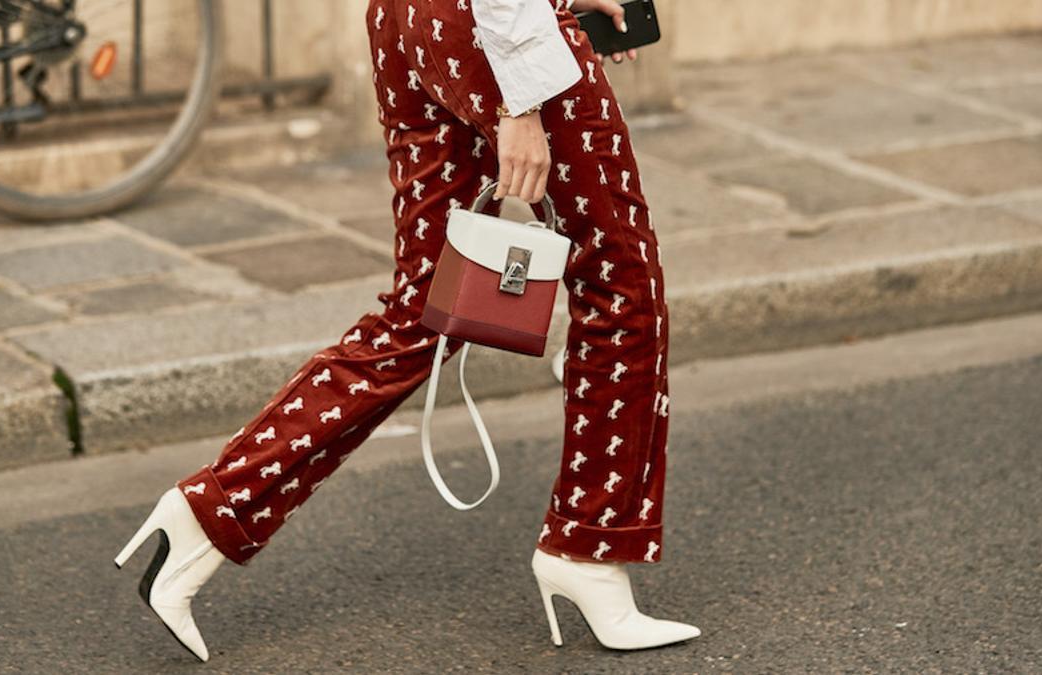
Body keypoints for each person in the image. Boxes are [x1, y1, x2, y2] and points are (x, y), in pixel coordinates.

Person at [113, 0, 700, 661]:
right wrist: (520, 104)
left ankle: (210, 510)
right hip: (494, 28)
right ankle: (587, 547)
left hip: (411, 22)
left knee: (426, 305)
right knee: (623, 281)